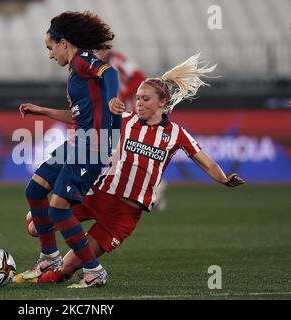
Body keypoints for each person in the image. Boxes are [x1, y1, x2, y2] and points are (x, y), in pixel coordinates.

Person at [25, 53, 245, 284]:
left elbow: (206, 161)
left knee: (66, 270)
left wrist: (223, 179)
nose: (138, 102)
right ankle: (45, 259)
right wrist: (43, 111)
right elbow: (81, 117)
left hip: (124, 214)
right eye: (138, 98)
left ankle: (36, 279)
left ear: (162, 102)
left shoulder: (177, 134)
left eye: (145, 99)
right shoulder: (125, 120)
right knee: (33, 226)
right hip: (98, 195)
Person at [13, 11, 125, 288]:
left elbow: (109, 73)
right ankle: (50, 256)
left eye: (50, 47)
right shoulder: (75, 71)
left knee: (59, 209)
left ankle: (94, 271)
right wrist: (41, 110)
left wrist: (112, 100)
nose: (50, 54)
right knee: (35, 190)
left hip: (93, 145)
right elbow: (78, 118)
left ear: (64, 42)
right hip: (78, 142)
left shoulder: (82, 60)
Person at [97, 48, 169, 211]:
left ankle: (154, 188)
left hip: (130, 115)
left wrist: (122, 97)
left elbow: (139, 77)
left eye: (101, 48)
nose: (98, 52)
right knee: (124, 154)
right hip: (119, 115)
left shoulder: (119, 60)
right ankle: (153, 195)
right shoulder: (101, 66)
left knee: (122, 152)